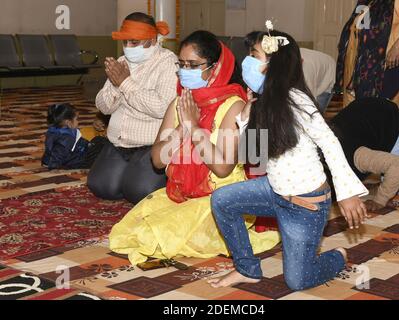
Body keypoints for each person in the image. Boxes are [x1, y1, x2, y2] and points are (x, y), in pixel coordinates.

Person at [208, 28, 369, 291]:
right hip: (274, 191)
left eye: (254, 55)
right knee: (222, 200)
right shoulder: (263, 102)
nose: (247, 62)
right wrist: (248, 115)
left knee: (298, 281)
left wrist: (347, 192)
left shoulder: (297, 100)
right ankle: (247, 269)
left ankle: (337, 255)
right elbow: (254, 156)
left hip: (304, 205)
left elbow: (329, 143)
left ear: (275, 64)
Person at [109, 31, 280, 266]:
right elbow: (158, 160)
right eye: (182, 64)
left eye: (193, 65)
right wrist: (181, 130)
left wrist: (194, 126)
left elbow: (221, 168)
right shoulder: (180, 103)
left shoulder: (233, 106)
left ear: (215, 67)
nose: (185, 71)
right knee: (132, 230)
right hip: (180, 194)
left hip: (220, 198)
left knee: (155, 236)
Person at [88, 12, 178, 204]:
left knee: (139, 191)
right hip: (119, 142)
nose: (129, 48)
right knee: (101, 186)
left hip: (150, 144)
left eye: (134, 42)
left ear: (152, 40)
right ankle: (129, 173)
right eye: (125, 42)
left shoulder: (168, 62)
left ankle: (151, 175)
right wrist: (115, 85)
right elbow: (103, 107)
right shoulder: (122, 62)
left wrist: (125, 83)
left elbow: (162, 107)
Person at [329, 97, 399, 211]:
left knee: (396, 184)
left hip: (392, 118)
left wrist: (379, 201)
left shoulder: (357, 156)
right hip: (365, 113)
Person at [336, 0, 399, 110]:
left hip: (388, 62)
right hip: (362, 66)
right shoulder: (365, 1)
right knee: (360, 109)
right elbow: (360, 28)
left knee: (384, 110)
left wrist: (397, 46)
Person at [42, 103, 107, 170]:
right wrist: (53, 167)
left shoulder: (52, 131)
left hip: (77, 153)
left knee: (97, 142)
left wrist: (46, 161)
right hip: (78, 161)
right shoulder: (67, 137)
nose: (78, 122)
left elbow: (49, 149)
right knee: (100, 141)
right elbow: (58, 152)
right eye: (76, 119)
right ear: (69, 123)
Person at [300, 48, 336, 113]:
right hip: (316, 66)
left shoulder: (306, 73)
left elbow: (310, 101)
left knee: (316, 112)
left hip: (328, 73)